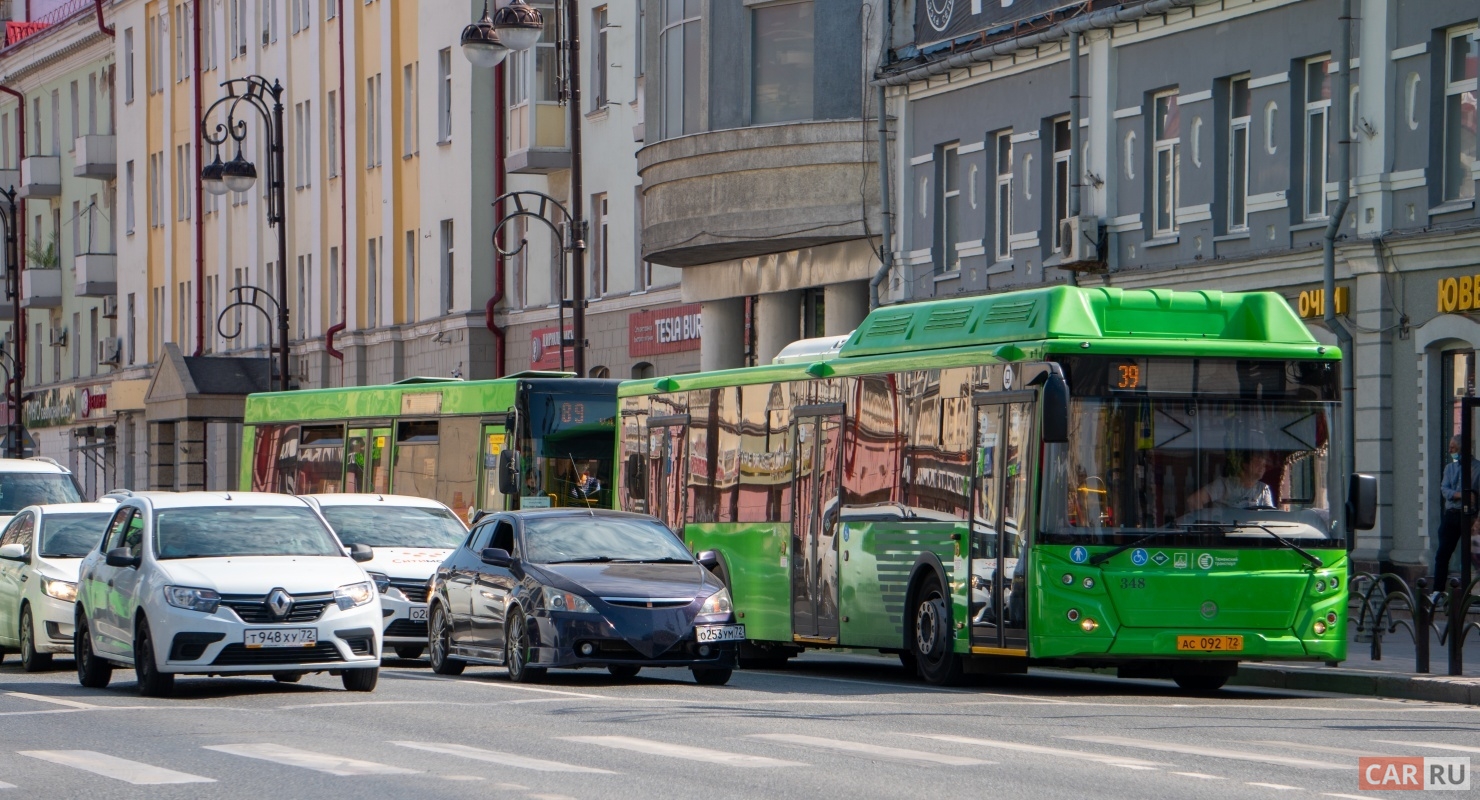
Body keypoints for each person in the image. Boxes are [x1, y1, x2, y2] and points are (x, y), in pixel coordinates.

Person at [1435, 436, 1480, 599]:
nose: (1450, 450)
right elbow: (1445, 490)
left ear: (1463, 449)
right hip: (1451, 516)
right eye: (1450, 447)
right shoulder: (1450, 469)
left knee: (1474, 556)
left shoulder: (1477, 468)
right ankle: (1437, 593)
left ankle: (1473, 593)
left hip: (1470, 518)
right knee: (1442, 554)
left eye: (1453, 447)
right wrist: (1461, 495)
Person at [1188, 450, 1275, 511]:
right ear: (1245, 465)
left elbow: (1269, 514)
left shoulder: (1264, 489)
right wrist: (1203, 527)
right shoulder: (1223, 485)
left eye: (1263, 465)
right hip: (1226, 535)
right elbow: (1194, 500)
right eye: (1257, 463)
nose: (1262, 468)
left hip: (1254, 534)